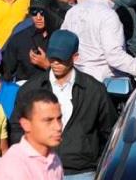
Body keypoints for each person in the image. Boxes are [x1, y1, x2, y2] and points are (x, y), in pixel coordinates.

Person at [10, 30, 116, 179]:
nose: (55, 63)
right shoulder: (31, 88)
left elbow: (110, 133)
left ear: (75, 57)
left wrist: (97, 164)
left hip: (82, 172)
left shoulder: (94, 90)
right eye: (52, 57)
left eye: (62, 58)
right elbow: (16, 127)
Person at [0, 90, 64, 180]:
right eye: (48, 120)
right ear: (26, 124)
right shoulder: (13, 166)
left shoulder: (54, 159)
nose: (58, 127)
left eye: (59, 119)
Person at [2, 0, 63, 82]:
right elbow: (6, 74)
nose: (38, 17)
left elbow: (71, 75)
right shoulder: (19, 38)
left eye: (43, 12)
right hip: (26, 92)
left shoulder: (62, 39)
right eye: (34, 12)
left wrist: (46, 65)